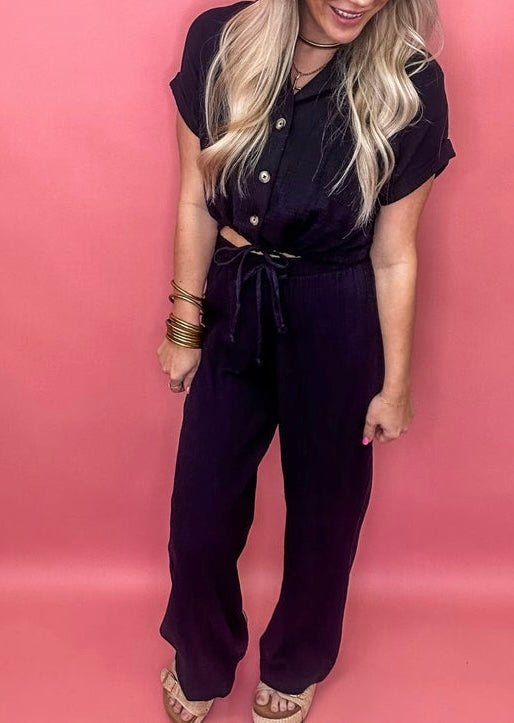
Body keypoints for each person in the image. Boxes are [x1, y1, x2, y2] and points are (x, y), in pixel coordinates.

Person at [156, 0, 456, 721]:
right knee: (201, 511)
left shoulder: (411, 80)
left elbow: (395, 254)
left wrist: (395, 383)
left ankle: (296, 661)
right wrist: (185, 323)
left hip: (337, 309)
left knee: (326, 514)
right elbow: (196, 198)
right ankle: (201, 658)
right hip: (237, 298)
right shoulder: (218, 41)